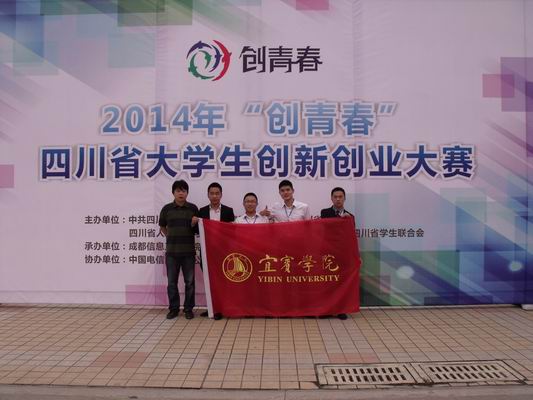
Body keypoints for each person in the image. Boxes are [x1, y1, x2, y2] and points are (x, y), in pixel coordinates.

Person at [159, 180, 199, 320]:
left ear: (187, 193)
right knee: (171, 283)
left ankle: (188, 309)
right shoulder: (166, 209)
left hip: (188, 252)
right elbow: (162, 226)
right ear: (173, 193)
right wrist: (171, 236)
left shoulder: (193, 208)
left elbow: (197, 230)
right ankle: (174, 309)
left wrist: (194, 223)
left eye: (183, 190)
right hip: (172, 253)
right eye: (178, 191)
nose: (181, 193)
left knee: (190, 283)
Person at [198, 182, 235, 320]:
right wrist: (194, 222)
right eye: (212, 193)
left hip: (223, 252)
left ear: (221, 195)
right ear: (208, 195)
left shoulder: (228, 211)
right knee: (209, 281)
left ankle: (222, 308)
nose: (214, 196)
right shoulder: (201, 211)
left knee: (223, 282)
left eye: (217, 193)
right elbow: (197, 230)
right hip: (206, 253)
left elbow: (233, 232)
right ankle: (211, 308)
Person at [320, 186, 354, 320]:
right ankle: (327, 310)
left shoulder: (350, 216)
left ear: (344, 198)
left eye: (340, 197)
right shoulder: (325, 212)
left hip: (342, 254)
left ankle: (341, 309)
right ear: (331, 198)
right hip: (327, 252)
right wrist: (341, 219)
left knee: (341, 282)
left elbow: (351, 237)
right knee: (327, 282)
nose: (338, 199)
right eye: (335, 197)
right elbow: (326, 229)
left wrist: (347, 221)